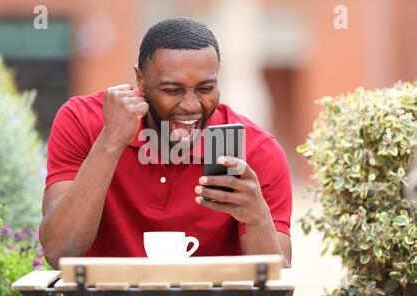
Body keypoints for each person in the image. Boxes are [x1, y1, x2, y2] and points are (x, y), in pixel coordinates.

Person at [40, 17, 292, 270]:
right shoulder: (83, 121)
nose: (191, 105)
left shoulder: (257, 150)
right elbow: (60, 251)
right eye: (172, 90)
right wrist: (110, 141)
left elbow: (278, 293)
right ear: (140, 80)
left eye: (205, 88)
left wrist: (257, 217)